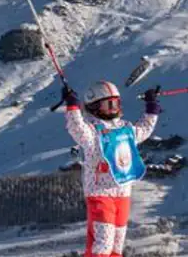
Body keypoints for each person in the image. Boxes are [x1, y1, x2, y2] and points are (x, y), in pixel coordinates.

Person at [60, 80, 161, 257]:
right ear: (94, 107)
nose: (114, 108)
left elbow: (143, 130)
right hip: (100, 192)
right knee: (103, 244)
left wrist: (151, 108)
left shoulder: (125, 128)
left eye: (116, 103)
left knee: (116, 244)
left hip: (122, 192)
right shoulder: (92, 131)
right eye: (109, 104)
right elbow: (77, 129)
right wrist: (73, 107)